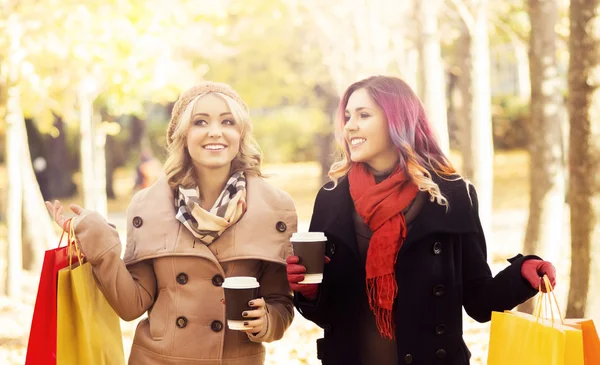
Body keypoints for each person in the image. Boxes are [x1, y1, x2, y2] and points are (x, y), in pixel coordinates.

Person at [286, 75, 556, 365]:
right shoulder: (332, 199)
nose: (350, 125)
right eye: (348, 116)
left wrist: (522, 273)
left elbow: (480, 302)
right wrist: (309, 289)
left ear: (397, 121)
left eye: (364, 115)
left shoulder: (452, 195)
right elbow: (326, 314)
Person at [46, 81, 298, 365]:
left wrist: (268, 321)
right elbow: (131, 306)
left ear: (240, 133)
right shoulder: (148, 207)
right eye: (200, 122)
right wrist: (98, 241)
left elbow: (281, 302)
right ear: (183, 135)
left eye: (227, 121)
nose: (215, 131)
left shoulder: (272, 209)